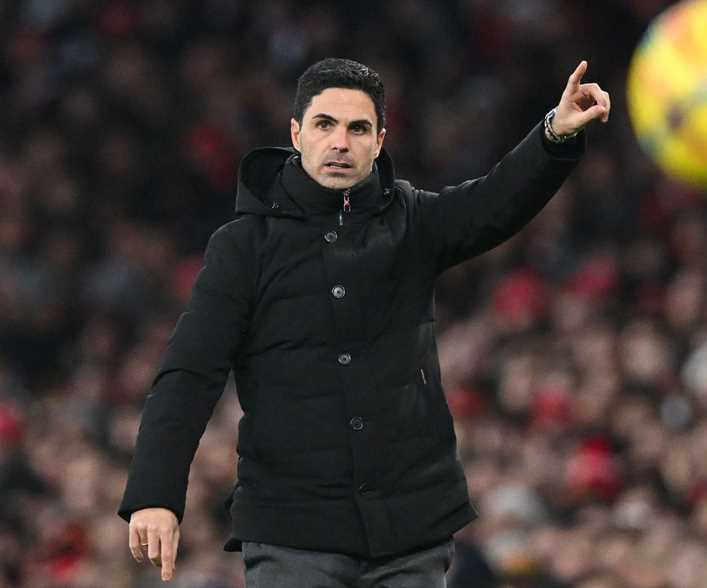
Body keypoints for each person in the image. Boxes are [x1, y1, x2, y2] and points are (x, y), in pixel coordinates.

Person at [118, 57, 610, 586]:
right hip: (293, 532)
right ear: (296, 134)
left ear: (379, 142)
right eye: (324, 125)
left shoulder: (412, 220)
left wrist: (555, 133)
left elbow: (495, 203)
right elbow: (190, 373)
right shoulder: (243, 248)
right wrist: (155, 494)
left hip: (410, 530)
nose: (339, 142)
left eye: (357, 129)